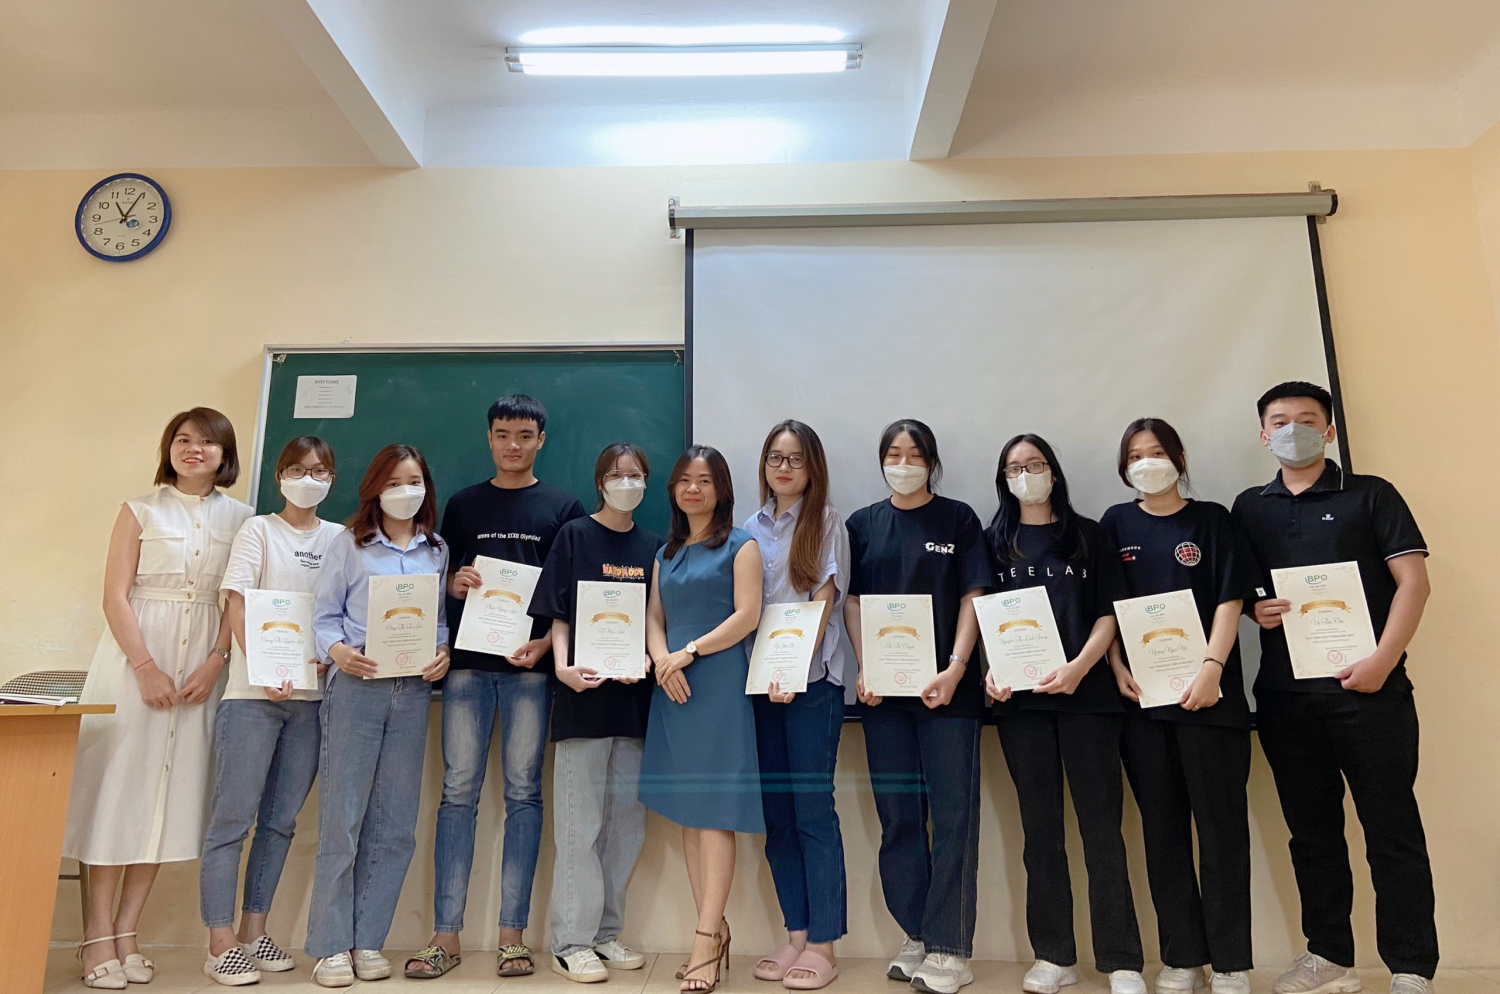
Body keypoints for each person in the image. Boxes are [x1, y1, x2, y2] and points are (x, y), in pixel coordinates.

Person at [1231, 382, 1437, 994]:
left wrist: (1383, 660)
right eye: (1279, 421)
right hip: (1286, 697)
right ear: (1264, 434)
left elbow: (1414, 583)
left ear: (1329, 431)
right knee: (1311, 833)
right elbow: (1246, 593)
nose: (1292, 430)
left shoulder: (1371, 494)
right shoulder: (1249, 506)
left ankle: (1411, 966)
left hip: (1370, 695)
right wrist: (1256, 610)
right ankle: (1329, 957)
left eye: (1306, 419)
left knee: (1391, 830)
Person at [64, 408, 253, 990]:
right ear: (169, 449)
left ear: (225, 454)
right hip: (135, 660)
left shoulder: (244, 518)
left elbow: (236, 599)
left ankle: (128, 933)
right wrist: (144, 668)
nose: (193, 449)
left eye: (207, 442)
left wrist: (217, 659)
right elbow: (115, 596)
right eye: (183, 440)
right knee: (117, 793)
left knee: (164, 801)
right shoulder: (139, 510)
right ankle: (96, 935)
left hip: (201, 669)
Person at [420, 394, 586, 979]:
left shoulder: (563, 507)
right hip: (466, 666)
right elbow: (440, 581)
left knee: (523, 794)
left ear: (541, 440)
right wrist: (455, 585)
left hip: (529, 671)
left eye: (524, 435)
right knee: (457, 793)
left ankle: (512, 936)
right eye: (502, 434)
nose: (513, 445)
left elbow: (569, 594)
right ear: (489, 438)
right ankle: (445, 935)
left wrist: (544, 646)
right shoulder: (463, 504)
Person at [1100, 419, 1256, 994]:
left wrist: (1212, 668)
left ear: (1180, 457)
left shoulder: (1213, 519)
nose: (1147, 463)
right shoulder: (1116, 523)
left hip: (1211, 700)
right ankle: (1182, 957)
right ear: (1125, 468)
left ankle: (1231, 964)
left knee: (1221, 832)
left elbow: (1230, 599)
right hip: (1143, 705)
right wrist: (1115, 665)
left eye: (1157, 452)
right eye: (1135, 456)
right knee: (1162, 833)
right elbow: (1109, 607)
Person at [985, 434, 1144, 994]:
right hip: (1022, 707)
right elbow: (981, 616)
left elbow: (1108, 613)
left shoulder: (1090, 535)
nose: (1025, 475)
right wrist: (989, 673)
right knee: (1041, 832)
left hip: (1089, 699)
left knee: (1102, 829)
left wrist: (1079, 668)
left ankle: (1121, 959)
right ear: (1004, 479)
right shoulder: (994, 542)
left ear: (1053, 472)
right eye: (1014, 468)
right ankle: (1053, 955)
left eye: (1035, 464)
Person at [844, 419, 990, 994]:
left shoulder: (959, 519)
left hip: (949, 694)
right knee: (899, 819)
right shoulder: (862, 525)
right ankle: (918, 934)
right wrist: (865, 666)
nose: (902, 464)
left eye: (914, 454)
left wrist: (955, 667)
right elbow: (853, 602)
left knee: (954, 818)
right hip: (885, 698)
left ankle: (952, 948)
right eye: (893, 454)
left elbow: (973, 595)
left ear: (932, 462)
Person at [305, 444, 451, 988]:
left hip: (411, 693)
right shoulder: (350, 543)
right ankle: (329, 946)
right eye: (393, 483)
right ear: (375, 489)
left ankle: (368, 939)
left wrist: (443, 653)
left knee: (395, 826)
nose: (404, 492)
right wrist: (339, 652)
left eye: (414, 482)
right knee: (342, 822)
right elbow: (324, 617)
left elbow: (437, 622)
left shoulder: (437, 549)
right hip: (357, 690)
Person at [201, 436, 345, 987]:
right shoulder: (258, 530)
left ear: (332, 479)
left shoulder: (339, 538)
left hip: (312, 701)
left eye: (319, 470)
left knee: (280, 822)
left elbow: (343, 610)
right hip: (251, 699)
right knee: (232, 821)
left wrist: (332, 655)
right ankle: (219, 943)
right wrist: (263, 670)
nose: (308, 479)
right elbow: (237, 602)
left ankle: (252, 930)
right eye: (297, 469)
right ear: (280, 475)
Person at [518, 443, 662, 983]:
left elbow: (654, 621)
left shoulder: (655, 546)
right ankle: (570, 942)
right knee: (580, 826)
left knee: (626, 825)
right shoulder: (575, 535)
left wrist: (647, 659)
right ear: (600, 482)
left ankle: (605, 933)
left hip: (633, 701)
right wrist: (561, 666)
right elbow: (559, 613)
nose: (627, 482)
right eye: (617, 474)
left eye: (636, 474)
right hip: (582, 697)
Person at [641, 445, 765, 994]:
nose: (693, 489)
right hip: (673, 686)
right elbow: (653, 616)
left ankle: (704, 940)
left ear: (722, 491)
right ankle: (713, 931)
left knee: (714, 815)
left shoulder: (741, 545)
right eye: (685, 480)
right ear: (674, 489)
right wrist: (662, 660)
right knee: (691, 817)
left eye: (705, 481)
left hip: (717, 686)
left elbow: (747, 615)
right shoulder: (665, 552)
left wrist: (687, 652)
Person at [744, 421, 850, 991]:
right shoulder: (747, 529)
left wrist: (790, 671)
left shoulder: (827, 522)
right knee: (778, 817)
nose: (783, 468)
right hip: (759, 688)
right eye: (775, 458)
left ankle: (825, 945)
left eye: (795, 459)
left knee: (813, 812)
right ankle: (796, 934)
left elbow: (824, 603)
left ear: (813, 468)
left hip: (812, 686)